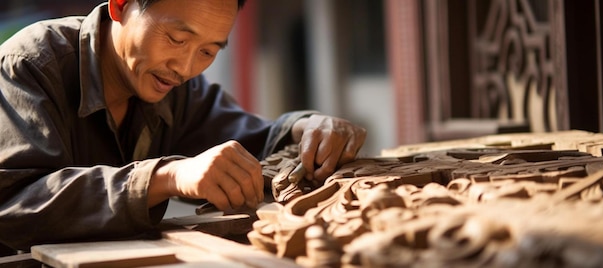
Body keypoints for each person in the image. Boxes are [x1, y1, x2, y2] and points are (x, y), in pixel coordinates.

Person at [0, 0, 366, 252]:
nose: (186, 68)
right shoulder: (30, 65)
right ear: (121, 6)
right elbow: (13, 205)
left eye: (208, 51)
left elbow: (254, 143)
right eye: (177, 39)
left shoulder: (176, 88)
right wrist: (167, 177)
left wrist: (308, 128)